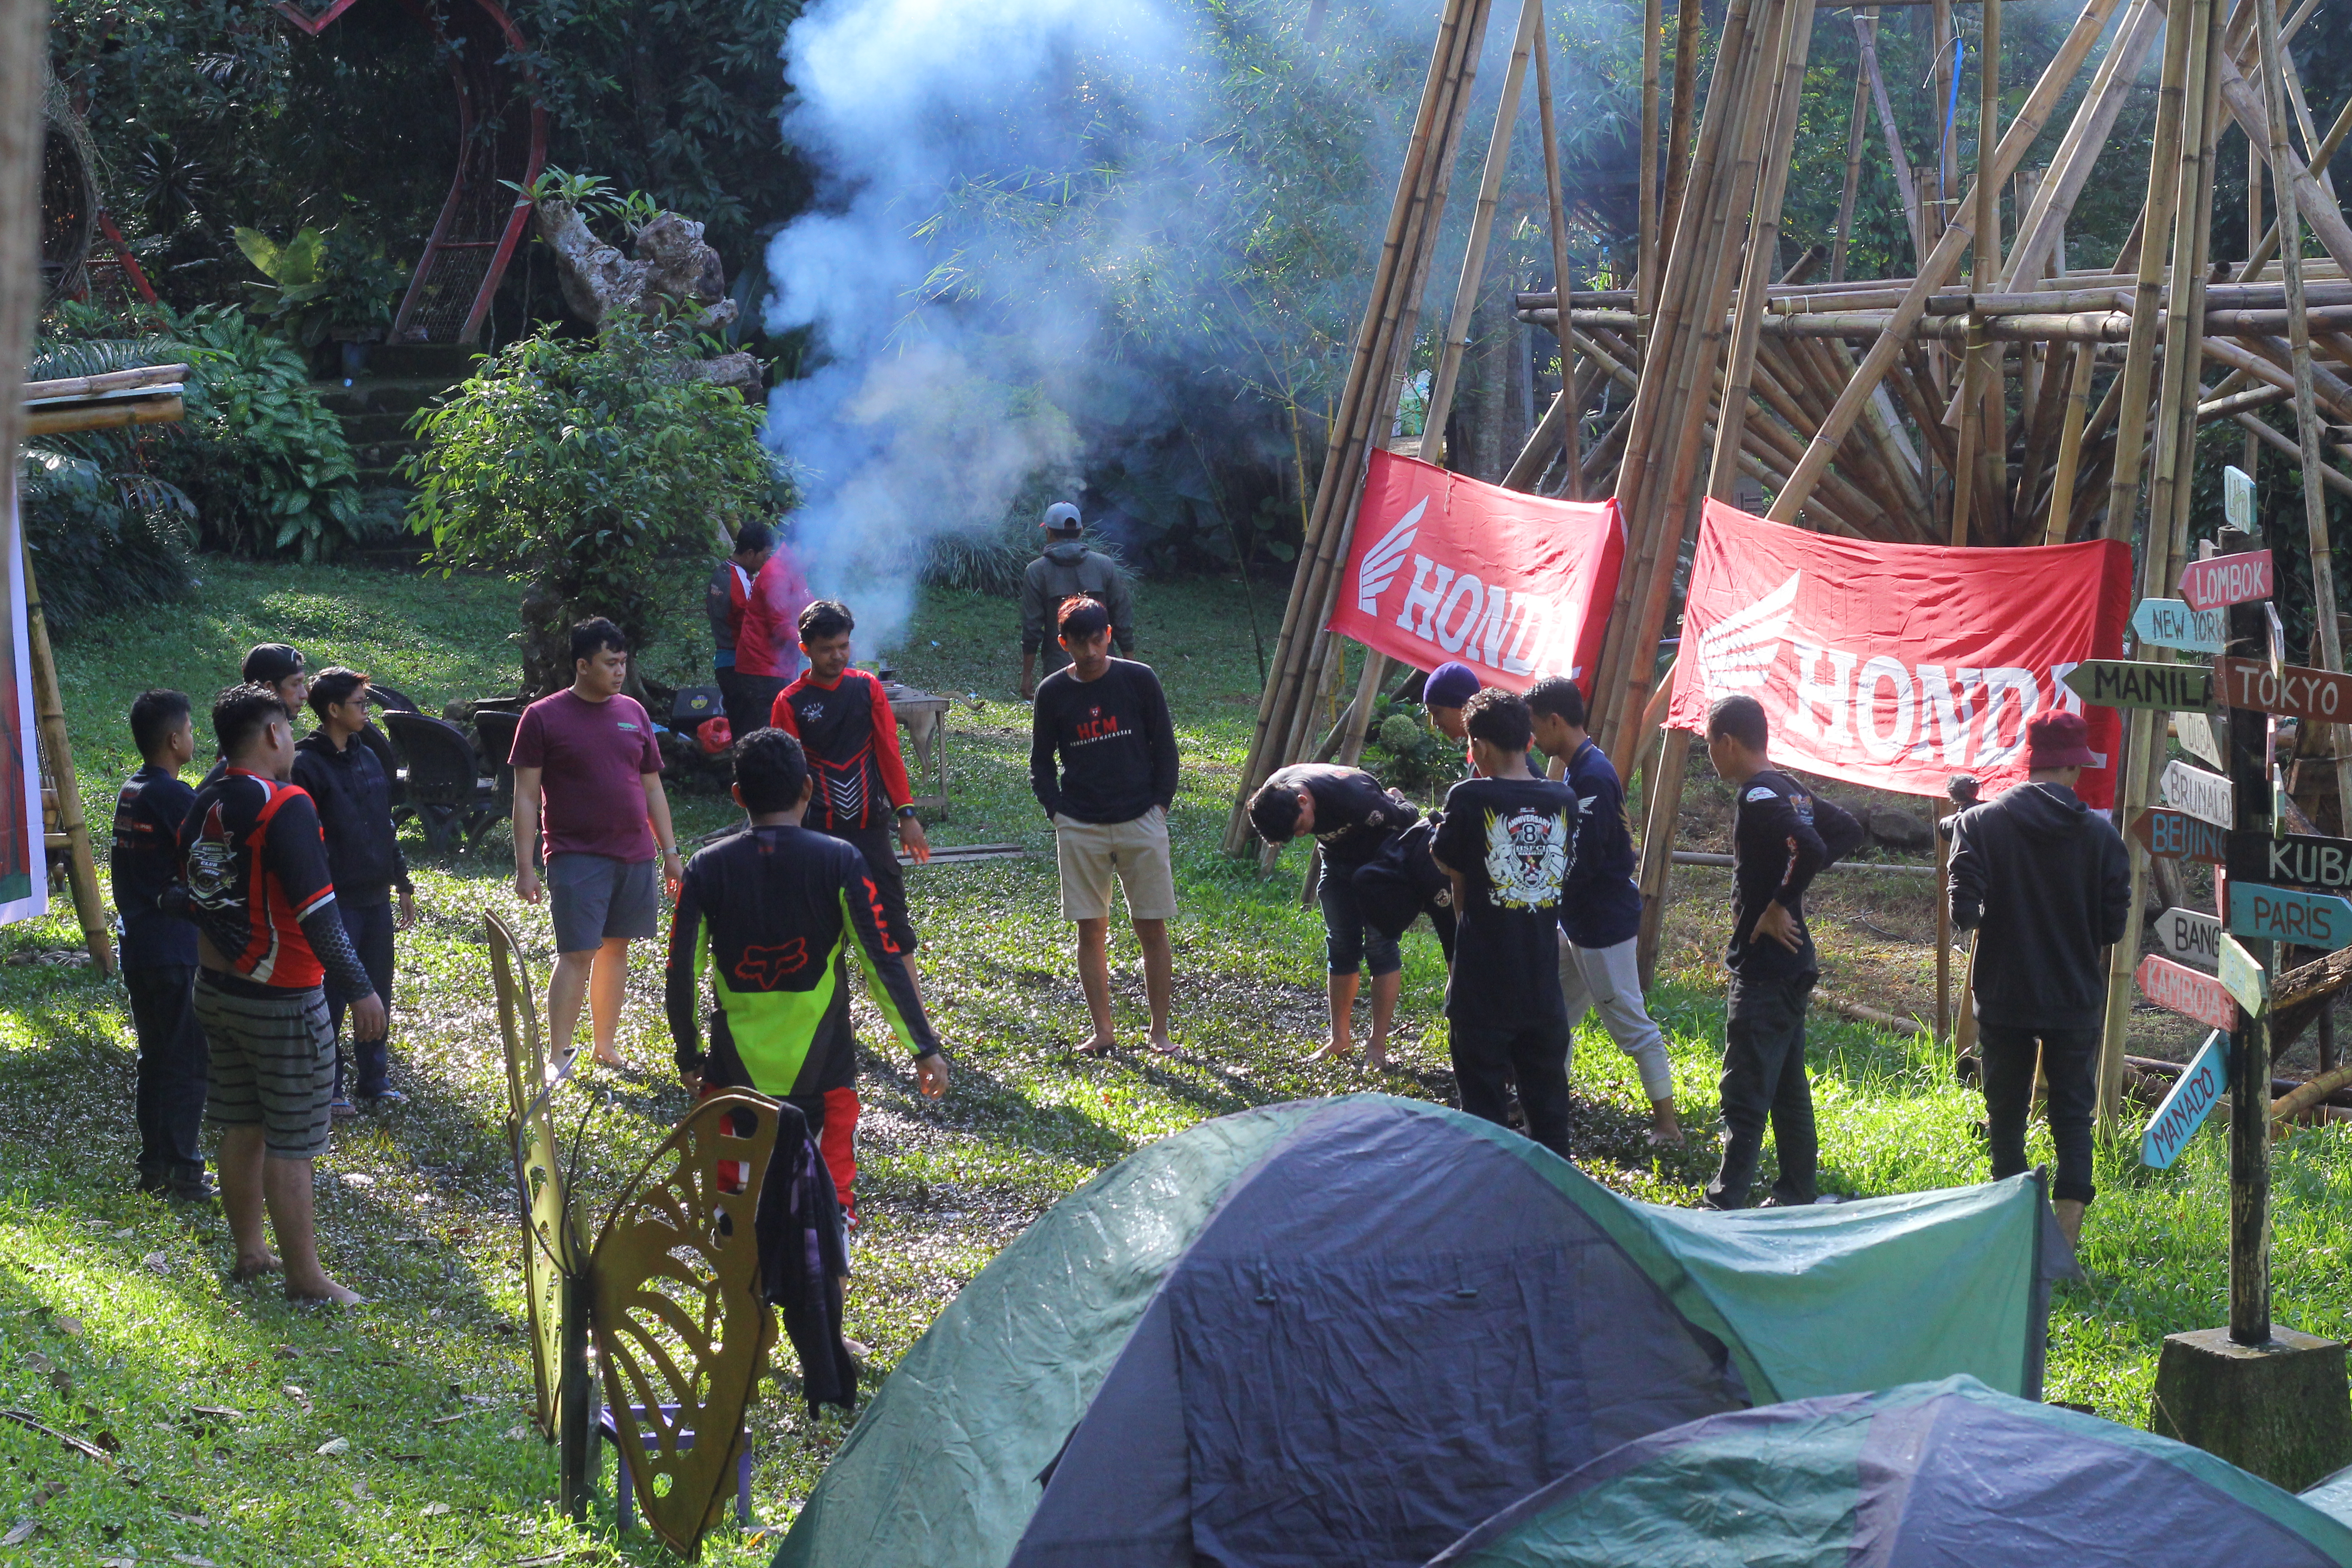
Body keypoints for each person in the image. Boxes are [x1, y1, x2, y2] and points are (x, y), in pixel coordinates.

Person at [666, 728, 951, 1224]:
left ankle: (745, 1298)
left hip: (733, 1082)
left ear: (737, 796)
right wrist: (924, 1047)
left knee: (732, 1220)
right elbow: (882, 961)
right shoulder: (840, 861)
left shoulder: (706, 868)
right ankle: (823, 1293)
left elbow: (682, 973)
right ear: (808, 790)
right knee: (830, 1214)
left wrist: (689, 1053)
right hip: (824, 1082)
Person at [179, 683, 385, 1303]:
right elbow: (320, 918)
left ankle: (250, 1253)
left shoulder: (202, 801)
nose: (293, 739)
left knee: (241, 1123)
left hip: (213, 989)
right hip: (282, 998)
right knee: (292, 1140)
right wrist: (363, 991)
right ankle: (307, 1279)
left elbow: (190, 894)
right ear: (272, 734)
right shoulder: (285, 804)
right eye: (288, 729)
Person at [767, 598, 935, 1200]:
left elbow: (888, 754)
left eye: (846, 646)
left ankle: (921, 1032)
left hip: (869, 829)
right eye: (829, 648)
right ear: (807, 647)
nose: (840, 655)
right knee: (822, 935)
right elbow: (785, 774)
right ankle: (829, 1026)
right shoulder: (789, 702)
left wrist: (908, 816)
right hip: (814, 834)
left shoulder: (867, 691)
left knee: (892, 929)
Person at [1947, 710, 2129, 1250]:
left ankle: (2013, 1239)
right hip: (2074, 995)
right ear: (2074, 767)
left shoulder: (1979, 824)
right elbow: (2114, 925)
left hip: (2004, 993)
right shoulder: (2101, 835)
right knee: (2073, 1115)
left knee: (2004, 1114)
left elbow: (1964, 909)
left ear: (2031, 763)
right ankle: (2065, 1243)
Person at [1701, 693, 1862, 1210]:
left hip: (1768, 971)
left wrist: (1779, 903)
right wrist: (1785, 890)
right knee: (1789, 1092)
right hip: (1791, 968)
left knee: (1744, 1090)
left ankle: (1723, 1203)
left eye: (1709, 746)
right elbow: (1844, 830)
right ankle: (1796, 1193)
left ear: (1727, 742)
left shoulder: (1758, 796)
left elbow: (1815, 847)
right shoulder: (1789, 789)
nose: (1710, 757)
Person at [510, 618, 685, 1069]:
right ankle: (559, 1054)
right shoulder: (543, 717)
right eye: (611, 663)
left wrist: (669, 853)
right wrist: (525, 866)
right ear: (582, 665)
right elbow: (527, 797)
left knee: (616, 949)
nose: (620, 671)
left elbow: (652, 789)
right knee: (577, 953)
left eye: (624, 662)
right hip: (576, 855)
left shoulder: (634, 712)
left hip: (635, 854)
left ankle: (605, 1046)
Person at [1527, 676, 1681, 1146]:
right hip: (1577, 921)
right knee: (1552, 1011)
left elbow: (1585, 858)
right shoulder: (1580, 768)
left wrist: (1539, 882)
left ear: (1556, 721)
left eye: (1536, 727)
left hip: (1601, 924)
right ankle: (1548, 1100)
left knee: (1629, 1022)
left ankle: (1668, 1126)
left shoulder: (1591, 774)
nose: (1533, 738)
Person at [1430, 689, 1581, 1158]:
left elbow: (1445, 862)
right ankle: (1559, 1206)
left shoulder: (1470, 796)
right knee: (1551, 1116)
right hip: (1542, 981)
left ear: (1480, 748)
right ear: (1531, 742)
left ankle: (1489, 1209)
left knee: (1483, 1117)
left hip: (1483, 982)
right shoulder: (1564, 799)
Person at [1029, 595, 1180, 1054]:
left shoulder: (1139, 679)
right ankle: (1104, 1031)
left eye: (1097, 641)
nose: (1091, 652)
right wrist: (1058, 813)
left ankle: (1159, 1032)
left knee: (1151, 928)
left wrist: (1160, 806)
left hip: (1141, 819)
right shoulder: (1052, 692)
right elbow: (1040, 762)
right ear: (1064, 643)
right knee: (1090, 931)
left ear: (1109, 635)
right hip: (1080, 824)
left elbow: (1166, 749)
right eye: (1080, 644)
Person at [293, 668, 416, 1115]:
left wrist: (400, 880)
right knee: (333, 995)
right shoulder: (305, 765)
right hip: (335, 901)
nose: (368, 711)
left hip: (375, 896)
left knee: (377, 989)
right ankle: (329, 1085)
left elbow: (385, 824)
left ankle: (374, 1078)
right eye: (361, 704)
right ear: (333, 710)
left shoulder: (368, 755)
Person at [1247, 762, 1418, 1068]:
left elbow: (1408, 817)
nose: (1301, 835)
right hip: (1337, 862)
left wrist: (1397, 798)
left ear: (1303, 801)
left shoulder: (1356, 799)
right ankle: (1340, 1040)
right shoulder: (1274, 794)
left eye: (1300, 827)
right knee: (1340, 944)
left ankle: (1377, 1046)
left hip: (1381, 860)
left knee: (1380, 945)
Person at [113, 689, 211, 1201]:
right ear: (174, 740)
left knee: (155, 1057)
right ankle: (183, 1170)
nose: (194, 737)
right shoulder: (172, 795)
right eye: (191, 730)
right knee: (188, 1060)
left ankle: (153, 1165)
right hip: (174, 948)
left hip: (141, 944)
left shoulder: (132, 790)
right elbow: (214, 853)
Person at [1019, 503, 1135, 700]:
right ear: (1080, 531)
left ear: (1048, 532)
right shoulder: (1104, 565)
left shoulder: (1037, 571)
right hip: (1103, 664)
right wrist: (1131, 669)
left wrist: (1027, 675)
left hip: (1060, 668)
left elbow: (1032, 629)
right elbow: (1122, 621)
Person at [707, 519, 776, 742]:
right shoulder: (740, 582)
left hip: (724, 662)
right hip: (739, 666)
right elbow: (754, 625)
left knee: (741, 731)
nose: (765, 562)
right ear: (749, 553)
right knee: (753, 734)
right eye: (764, 556)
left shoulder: (722, 572)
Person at [734, 529, 814, 719]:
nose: (817, 558)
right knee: (772, 734)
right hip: (764, 671)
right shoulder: (776, 574)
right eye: (815, 551)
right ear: (798, 547)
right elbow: (781, 627)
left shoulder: (794, 570)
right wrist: (816, 645)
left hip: (781, 667)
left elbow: (809, 607)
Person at [1422, 660, 1480, 745]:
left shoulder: (1496, 750)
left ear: (1463, 706)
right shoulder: (1482, 747)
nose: (1434, 723)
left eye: (1437, 712)